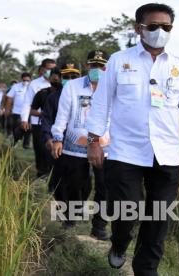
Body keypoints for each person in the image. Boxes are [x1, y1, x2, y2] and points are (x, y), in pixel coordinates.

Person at [85, 3, 179, 273]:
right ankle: (119, 243)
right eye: (153, 26)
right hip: (125, 152)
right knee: (126, 211)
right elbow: (101, 101)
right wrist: (94, 140)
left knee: (159, 218)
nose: (159, 32)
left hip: (166, 155)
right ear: (138, 28)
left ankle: (145, 269)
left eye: (166, 27)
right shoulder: (120, 60)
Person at [50, 51, 110, 238]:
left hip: (105, 145)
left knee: (105, 186)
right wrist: (57, 137)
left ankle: (99, 225)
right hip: (75, 144)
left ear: (107, 67)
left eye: (101, 65)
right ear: (87, 66)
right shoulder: (73, 87)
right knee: (76, 184)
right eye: (93, 65)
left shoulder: (113, 86)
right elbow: (63, 114)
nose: (97, 69)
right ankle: (71, 217)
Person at [41, 63, 81, 193]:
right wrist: (48, 138)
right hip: (58, 142)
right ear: (60, 77)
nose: (70, 80)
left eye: (73, 77)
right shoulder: (52, 97)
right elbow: (46, 119)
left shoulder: (87, 96)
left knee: (79, 178)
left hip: (79, 144)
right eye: (66, 76)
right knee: (59, 174)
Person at [21, 58, 57, 177]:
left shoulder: (59, 83)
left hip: (56, 123)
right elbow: (27, 103)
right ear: (42, 69)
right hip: (38, 123)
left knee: (53, 149)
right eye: (48, 68)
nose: (51, 71)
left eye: (53, 69)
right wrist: (24, 119)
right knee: (40, 149)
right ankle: (41, 173)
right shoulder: (35, 84)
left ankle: (53, 174)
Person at [5, 72, 32, 147]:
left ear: (30, 80)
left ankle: (26, 144)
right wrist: (7, 109)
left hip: (29, 111)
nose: (26, 82)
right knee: (16, 128)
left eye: (28, 80)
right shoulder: (16, 87)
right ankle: (15, 140)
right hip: (16, 112)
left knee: (28, 128)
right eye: (24, 80)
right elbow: (9, 98)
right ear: (21, 79)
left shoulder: (33, 87)